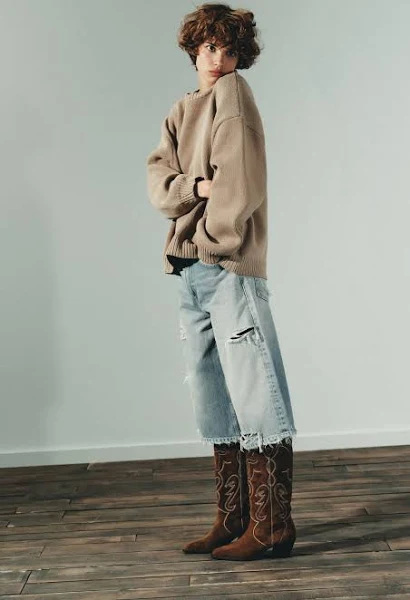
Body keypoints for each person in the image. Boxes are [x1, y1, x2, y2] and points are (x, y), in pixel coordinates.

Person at [146, 2, 297, 561]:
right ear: (194, 49)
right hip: (189, 272)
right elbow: (158, 183)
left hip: (225, 265)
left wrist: (212, 237)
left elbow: (242, 182)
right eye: (210, 47)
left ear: (240, 57)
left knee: (256, 394)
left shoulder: (233, 95)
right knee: (213, 401)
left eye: (230, 50)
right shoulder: (181, 109)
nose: (218, 59)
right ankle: (233, 519)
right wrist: (195, 187)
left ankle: (272, 526)